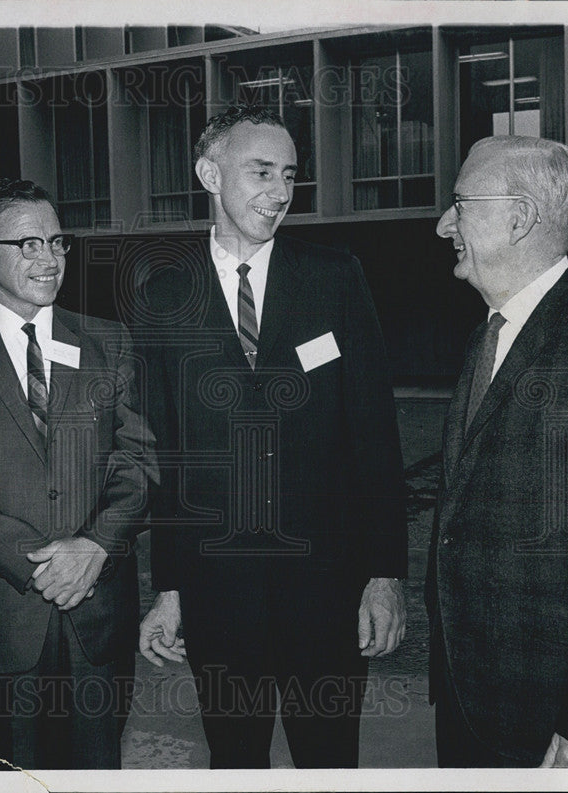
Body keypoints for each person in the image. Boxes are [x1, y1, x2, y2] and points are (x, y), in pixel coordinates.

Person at [134, 105, 407, 768]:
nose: (280, 192)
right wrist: (169, 587)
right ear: (208, 172)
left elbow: (375, 433)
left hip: (328, 589)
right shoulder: (164, 296)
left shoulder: (335, 277)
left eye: (289, 175)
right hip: (217, 594)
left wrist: (386, 573)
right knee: (235, 760)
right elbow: (165, 457)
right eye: (261, 171)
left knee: (331, 759)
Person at [0, 178, 157, 770]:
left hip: (97, 612)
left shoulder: (108, 342)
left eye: (56, 242)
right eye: (27, 244)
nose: (48, 258)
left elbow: (139, 462)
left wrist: (93, 546)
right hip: (1, 616)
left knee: (98, 770)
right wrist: (43, 565)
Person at [427, 136, 568, 767]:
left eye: (460, 203)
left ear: (518, 218)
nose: (445, 225)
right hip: (473, 697)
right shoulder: (489, 334)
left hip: (557, 722)